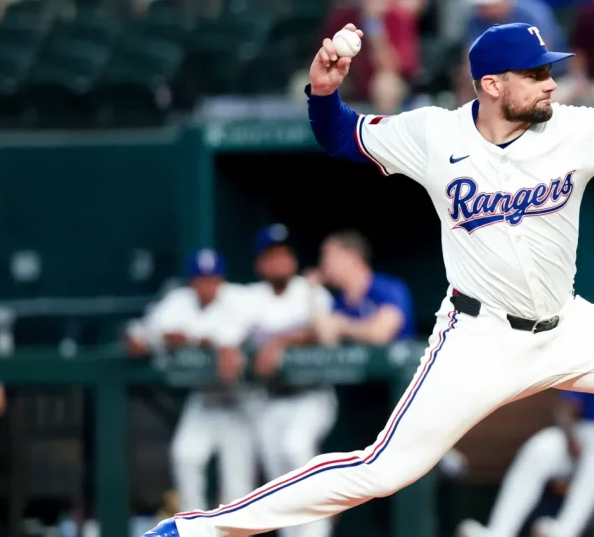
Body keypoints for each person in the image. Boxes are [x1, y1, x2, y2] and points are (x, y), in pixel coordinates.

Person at [145, 21, 594, 537]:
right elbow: (342, 138)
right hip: (479, 339)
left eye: (551, 71)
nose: (551, 83)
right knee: (382, 469)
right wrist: (323, 90)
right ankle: (194, 530)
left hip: (568, 324)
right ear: (490, 85)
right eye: (536, 74)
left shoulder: (578, 129)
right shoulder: (434, 134)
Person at [456, 278, 594, 537]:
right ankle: (498, 531)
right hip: (584, 437)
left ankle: (565, 530)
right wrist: (570, 436)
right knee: (540, 448)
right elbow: (565, 407)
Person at [134, 250, 260, 515]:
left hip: (241, 401)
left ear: (221, 280)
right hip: (205, 399)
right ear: (192, 282)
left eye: (212, 279)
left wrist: (193, 338)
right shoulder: (179, 301)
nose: (207, 285)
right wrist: (153, 338)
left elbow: (232, 336)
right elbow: (143, 334)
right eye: (201, 279)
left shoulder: (239, 298)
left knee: (237, 491)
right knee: (185, 456)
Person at [239, 224, 339, 537]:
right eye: (272, 256)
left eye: (285, 254)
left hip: (312, 394)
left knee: (296, 448)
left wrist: (279, 342)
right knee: (278, 482)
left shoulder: (311, 291)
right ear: (260, 264)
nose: (280, 262)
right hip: (269, 398)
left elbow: (321, 333)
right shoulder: (248, 297)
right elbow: (229, 335)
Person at [312, 229, 416, 346]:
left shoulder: (388, 288)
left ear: (352, 257)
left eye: (328, 256)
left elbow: (380, 334)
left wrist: (341, 326)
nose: (323, 265)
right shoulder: (338, 302)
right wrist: (311, 291)